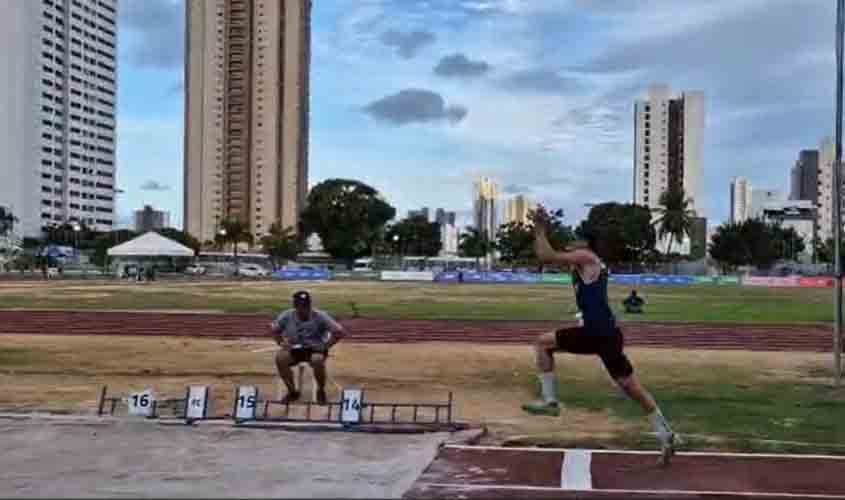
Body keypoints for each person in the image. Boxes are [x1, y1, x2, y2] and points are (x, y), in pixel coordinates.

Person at [521, 206, 680, 466]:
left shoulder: (585, 257)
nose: (572, 241)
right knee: (631, 387)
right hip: (607, 333)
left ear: (586, 242)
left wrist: (539, 227)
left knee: (542, 343)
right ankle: (666, 433)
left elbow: (546, 254)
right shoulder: (587, 262)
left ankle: (550, 401)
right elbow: (549, 255)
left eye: (577, 237)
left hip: (596, 331)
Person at [270, 290, 347, 405]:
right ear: (295, 306)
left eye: (306, 305)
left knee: (317, 360)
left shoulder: (320, 316)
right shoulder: (287, 315)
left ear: (310, 304)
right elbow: (274, 331)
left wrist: (325, 346)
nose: (304, 308)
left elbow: (340, 332)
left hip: (314, 349)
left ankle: (320, 390)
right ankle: (292, 392)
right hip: (294, 349)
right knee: (280, 358)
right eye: (301, 306)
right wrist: (281, 343)